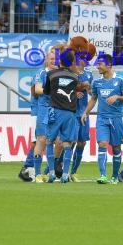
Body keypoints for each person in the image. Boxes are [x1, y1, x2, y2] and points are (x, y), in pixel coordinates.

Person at [81, 54, 123, 184]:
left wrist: (117, 97)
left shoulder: (120, 80)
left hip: (117, 118)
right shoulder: (97, 82)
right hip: (102, 118)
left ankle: (114, 176)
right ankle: (103, 175)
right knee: (102, 144)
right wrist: (85, 112)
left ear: (108, 65)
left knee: (116, 148)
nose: (98, 67)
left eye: (100, 64)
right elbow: (93, 98)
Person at [43, 49, 79, 183]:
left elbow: (46, 92)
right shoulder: (75, 77)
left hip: (55, 112)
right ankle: (65, 174)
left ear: (60, 61)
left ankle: (51, 173)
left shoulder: (51, 74)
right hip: (70, 113)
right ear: (71, 62)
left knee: (49, 141)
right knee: (67, 143)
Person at [32, 47, 59, 183]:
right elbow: (37, 89)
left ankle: (50, 171)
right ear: (47, 60)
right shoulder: (42, 72)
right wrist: (52, 91)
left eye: (56, 59)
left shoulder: (62, 73)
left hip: (59, 109)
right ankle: (37, 174)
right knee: (41, 139)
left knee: (58, 141)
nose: (54, 61)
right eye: (52, 59)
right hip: (44, 109)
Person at [69, 59, 94, 182]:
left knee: (82, 142)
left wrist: (89, 89)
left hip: (83, 113)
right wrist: (74, 93)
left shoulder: (89, 74)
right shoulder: (70, 71)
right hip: (72, 112)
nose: (88, 60)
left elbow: (91, 93)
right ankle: (59, 169)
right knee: (70, 142)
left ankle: (73, 172)